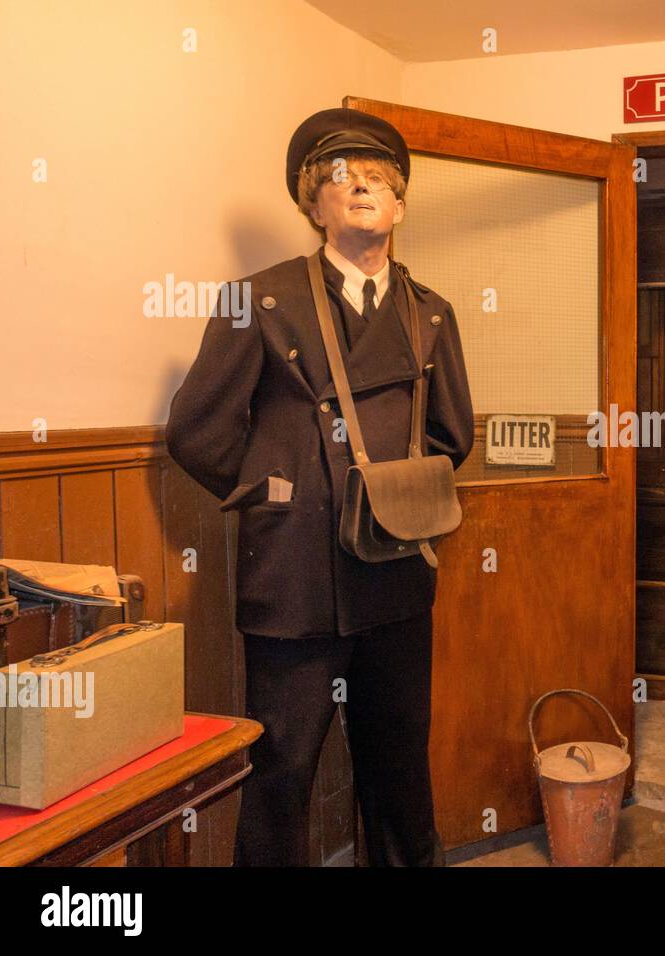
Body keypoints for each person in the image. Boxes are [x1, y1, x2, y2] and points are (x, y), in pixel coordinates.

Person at [165, 108, 474, 866]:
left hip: (396, 572)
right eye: (340, 178)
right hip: (295, 579)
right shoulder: (260, 299)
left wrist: (399, 497)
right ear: (313, 205)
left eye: (378, 180)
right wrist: (278, 490)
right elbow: (197, 431)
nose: (360, 188)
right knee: (282, 772)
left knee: (400, 763)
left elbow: (452, 435)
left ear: (400, 206)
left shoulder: (431, 313)